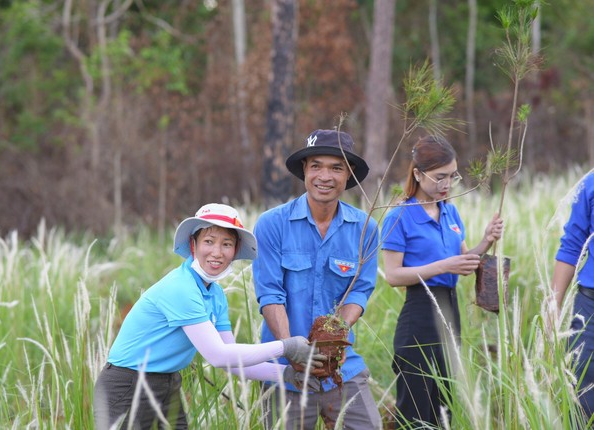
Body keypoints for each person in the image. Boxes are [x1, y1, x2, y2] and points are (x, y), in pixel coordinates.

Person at [93, 203, 326, 430]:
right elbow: (218, 356)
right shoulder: (181, 287)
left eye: (227, 244)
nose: (217, 252)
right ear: (193, 245)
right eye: (208, 242)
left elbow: (233, 362)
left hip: (167, 382)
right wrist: (285, 347)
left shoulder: (215, 295)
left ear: (235, 251)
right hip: (128, 384)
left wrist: (286, 374)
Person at [253, 129, 382, 429]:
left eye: (336, 168)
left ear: (348, 175)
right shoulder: (272, 224)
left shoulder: (365, 228)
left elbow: (360, 291)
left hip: (341, 368)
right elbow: (270, 294)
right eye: (316, 166)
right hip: (285, 371)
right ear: (304, 171)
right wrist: (292, 348)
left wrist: (333, 337)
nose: (325, 176)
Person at [380, 135, 503, 427]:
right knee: (417, 407)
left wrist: (485, 241)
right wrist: (442, 266)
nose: (447, 184)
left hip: (451, 312)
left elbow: (463, 259)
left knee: (446, 404)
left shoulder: (450, 211)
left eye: (452, 176)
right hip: (420, 315)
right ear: (418, 174)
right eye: (439, 177)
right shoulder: (400, 216)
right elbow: (393, 276)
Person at [550, 170, 594, 421]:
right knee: (581, 396)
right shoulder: (590, 184)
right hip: (588, 309)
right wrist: (554, 304)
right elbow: (572, 245)